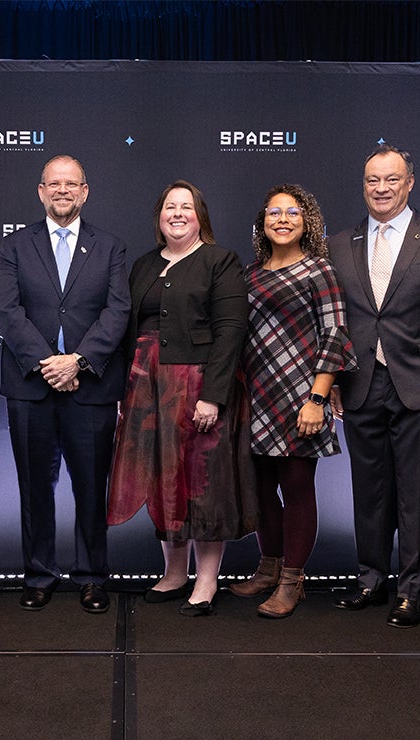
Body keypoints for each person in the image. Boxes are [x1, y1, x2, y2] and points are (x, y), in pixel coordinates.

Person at [328, 145, 420, 628]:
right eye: (373, 180)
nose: (382, 188)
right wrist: (329, 382)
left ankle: (412, 589)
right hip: (360, 385)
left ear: (410, 182)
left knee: (415, 492)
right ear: (363, 184)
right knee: (369, 491)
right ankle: (371, 580)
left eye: (391, 179)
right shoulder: (340, 242)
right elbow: (334, 323)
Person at [107, 180, 256, 617]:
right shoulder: (143, 265)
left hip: (197, 387)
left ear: (200, 216)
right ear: (159, 216)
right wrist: (124, 391)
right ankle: (174, 574)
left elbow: (231, 331)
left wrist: (213, 396)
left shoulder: (220, 261)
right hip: (145, 388)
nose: (177, 213)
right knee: (163, 477)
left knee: (202, 480)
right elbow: (125, 330)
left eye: (186, 207)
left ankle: (206, 581)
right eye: (169, 206)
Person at [0, 156, 130, 614]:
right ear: (40, 191)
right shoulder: (15, 246)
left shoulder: (110, 247)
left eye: (71, 184)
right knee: (34, 487)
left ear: (85, 191)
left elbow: (117, 313)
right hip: (30, 386)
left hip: (90, 387)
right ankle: (39, 575)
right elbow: (9, 313)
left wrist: (78, 362)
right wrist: (47, 363)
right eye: (54, 184)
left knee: (92, 487)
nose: (62, 191)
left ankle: (92, 577)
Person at [229, 185, 356, 618]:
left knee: (297, 488)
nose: (282, 219)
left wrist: (317, 398)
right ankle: (268, 568)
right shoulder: (250, 274)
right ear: (262, 222)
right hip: (257, 395)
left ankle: (292, 581)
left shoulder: (319, 270)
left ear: (307, 222)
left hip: (301, 396)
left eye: (293, 213)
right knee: (262, 489)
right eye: (274, 212)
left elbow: (336, 334)